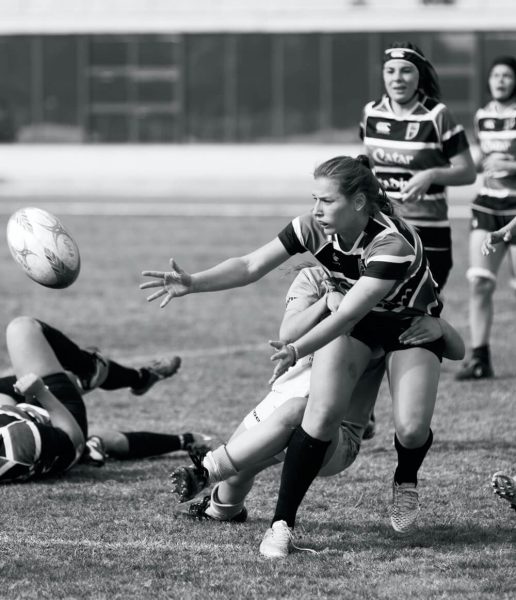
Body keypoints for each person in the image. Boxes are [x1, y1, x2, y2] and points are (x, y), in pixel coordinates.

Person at [141, 154, 456, 556]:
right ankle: (280, 525)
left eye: (326, 201)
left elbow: (347, 314)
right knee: (316, 414)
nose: (316, 210)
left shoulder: (390, 243)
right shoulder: (311, 228)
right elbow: (251, 264)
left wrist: (296, 348)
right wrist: (193, 282)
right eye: (314, 199)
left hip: (406, 325)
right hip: (355, 323)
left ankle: (406, 480)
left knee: (411, 429)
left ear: (358, 202)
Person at [167, 266, 464, 554]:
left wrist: (439, 325)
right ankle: (220, 507)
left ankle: (205, 471)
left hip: (336, 435)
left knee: (299, 411)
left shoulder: (384, 289)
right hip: (277, 404)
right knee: (235, 480)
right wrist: (326, 301)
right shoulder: (314, 276)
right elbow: (288, 332)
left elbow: (454, 349)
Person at [0, 316, 208, 482]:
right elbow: (74, 439)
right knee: (22, 329)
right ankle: (90, 371)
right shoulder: (16, 441)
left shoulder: (21, 440)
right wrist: (41, 393)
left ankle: (140, 379)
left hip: (32, 423)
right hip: (62, 420)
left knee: (105, 439)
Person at [360, 41, 476, 291]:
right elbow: (367, 162)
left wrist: (431, 174)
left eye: (406, 70)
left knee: (420, 318)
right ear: (383, 75)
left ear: (419, 75)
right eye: (391, 71)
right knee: (373, 314)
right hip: (383, 225)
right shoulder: (371, 113)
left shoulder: (436, 115)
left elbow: (468, 172)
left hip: (428, 231)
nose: (397, 78)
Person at [456, 57, 516, 380]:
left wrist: (512, 167)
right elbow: (482, 158)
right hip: (487, 207)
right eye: (496, 75)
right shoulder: (482, 115)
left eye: (507, 75)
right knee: (479, 282)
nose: (501, 80)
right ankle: (480, 359)